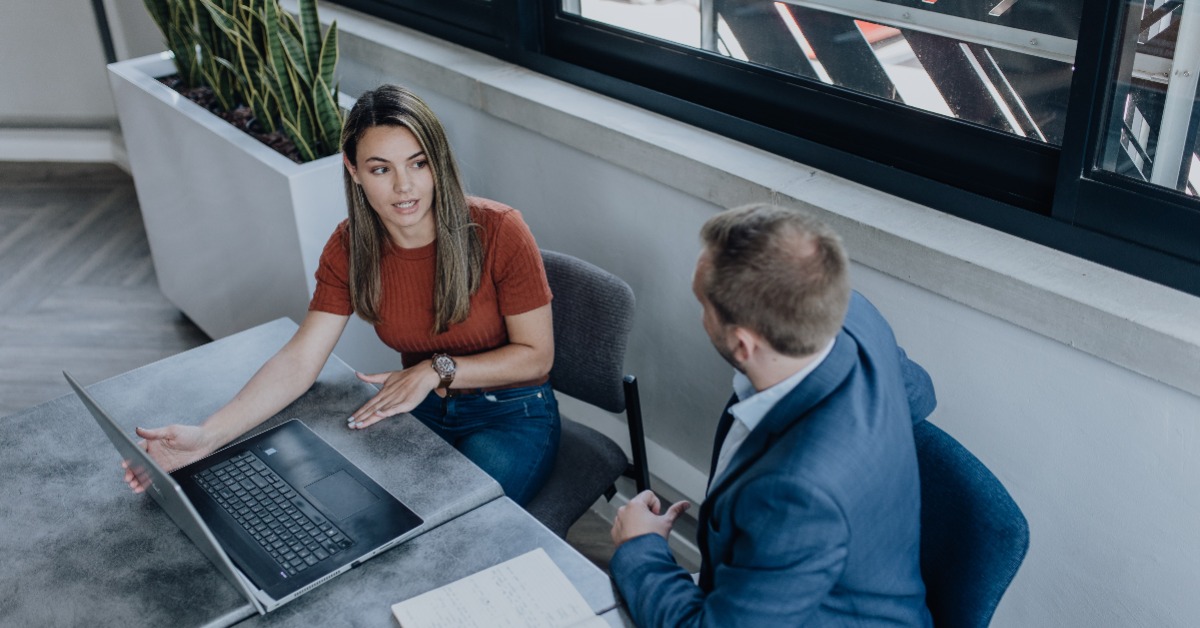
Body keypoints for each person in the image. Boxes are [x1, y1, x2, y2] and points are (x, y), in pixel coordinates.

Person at [125, 84, 560, 506]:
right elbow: (300, 361)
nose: (404, 187)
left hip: (510, 410)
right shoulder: (351, 246)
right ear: (354, 170)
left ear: (438, 163)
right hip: (419, 403)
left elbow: (536, 357)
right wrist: (208, 436)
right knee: (361, 509)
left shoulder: (500, 230)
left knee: (463, 524)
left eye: (418, 163)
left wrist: (434, 369)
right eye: (381, 169)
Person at [608, 203, 936, 626]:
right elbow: (920, 391)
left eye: (702, 304)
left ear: (743, 345)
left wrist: (640, 547)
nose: (700, 314)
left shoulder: (797, 495)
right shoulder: (850, 314)